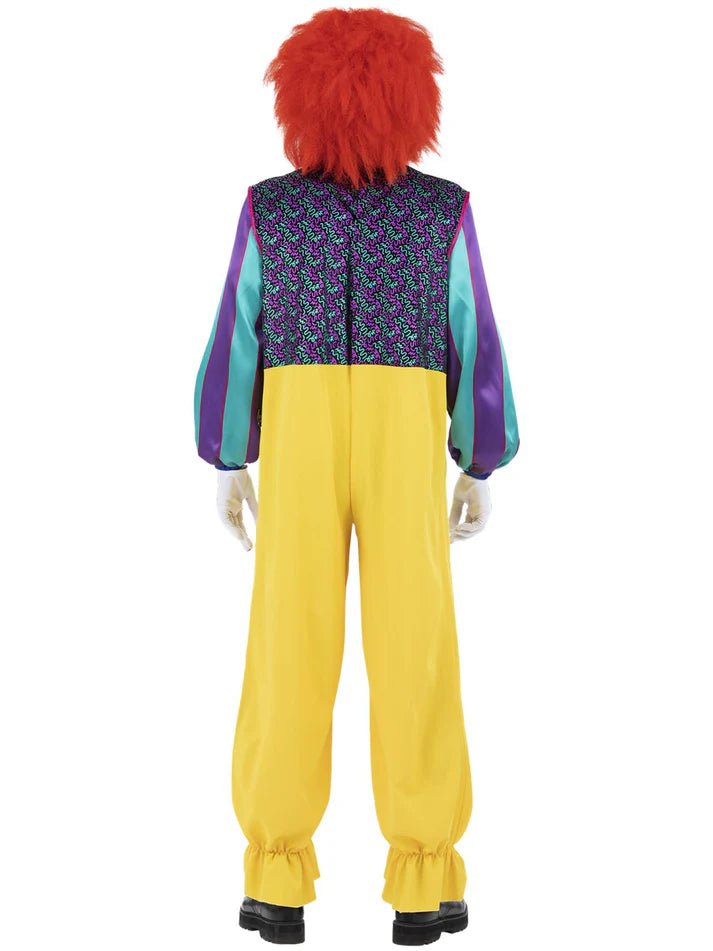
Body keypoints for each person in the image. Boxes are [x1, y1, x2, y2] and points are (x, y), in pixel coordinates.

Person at [193, 7, 519, 945]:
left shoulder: (271, 209)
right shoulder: (439, 211)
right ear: (413, 102)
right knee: (414, 644)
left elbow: (239, 330)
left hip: (298, 431)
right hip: (401, 432)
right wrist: (478, 457)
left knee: (287, 642)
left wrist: (228, 452)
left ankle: (276, 882)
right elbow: (472, 332)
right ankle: (423, 879)